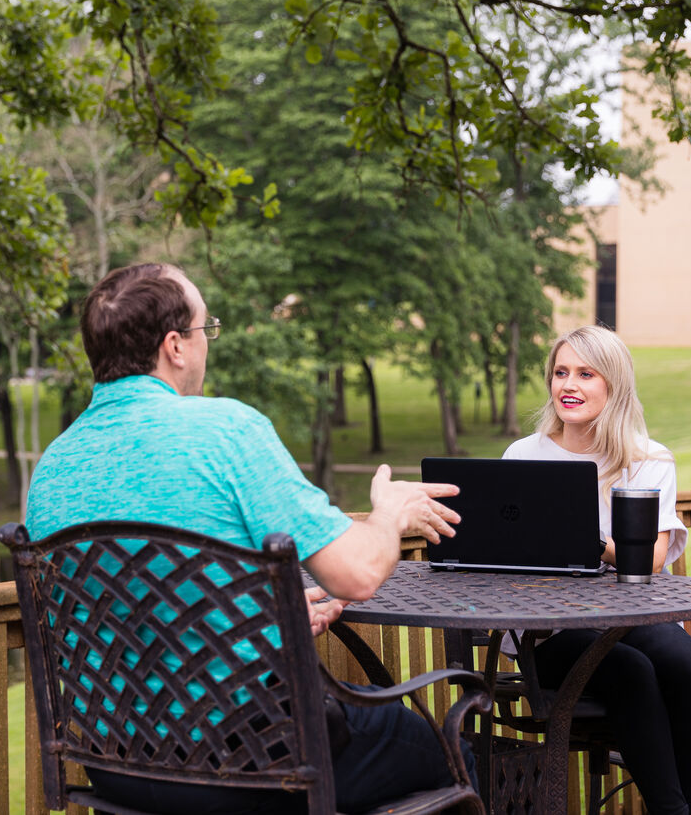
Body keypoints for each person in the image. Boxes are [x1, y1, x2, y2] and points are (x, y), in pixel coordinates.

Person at [25, 262, 476, 814]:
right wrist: (389, 514)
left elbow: (135, 600)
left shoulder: (53, 467)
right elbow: (356, 574)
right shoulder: (225, 433)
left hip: (113, 765)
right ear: (175, 346)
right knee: (458, 754)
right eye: (203, 330)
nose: (206, 344)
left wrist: (265, 619)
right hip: (255, 764)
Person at [503, 325, 691, 815]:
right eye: (560, 372)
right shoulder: (524, 456)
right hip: (551, 631)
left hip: (630, 615)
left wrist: (591, 541)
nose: (568, 385)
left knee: (688, 667)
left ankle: (690, 807)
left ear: (613, 384)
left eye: (585, 373)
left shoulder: (647, 459)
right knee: (631, 671)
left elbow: (654, 559)